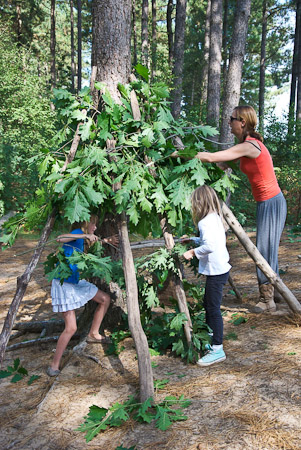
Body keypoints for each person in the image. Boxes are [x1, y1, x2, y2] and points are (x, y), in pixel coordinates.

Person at [175, 105, 286, 313]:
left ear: (242, 122)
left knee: (263, 248)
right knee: (267, 247)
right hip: (265, 202)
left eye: (232, 118)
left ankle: (267, 299)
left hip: (272, 202)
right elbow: (223, 162)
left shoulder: (250, 146)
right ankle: (276, 292)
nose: (229, 122)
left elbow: (212, 157)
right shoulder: (244, 146)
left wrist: (181, 154)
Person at [46, 215, 119, 377]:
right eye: (93, 224)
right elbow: (60, 239)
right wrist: (84, 234)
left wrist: (106, 241)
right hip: (63, 284)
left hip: (76, 282)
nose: (95, 227)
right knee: (71, 328)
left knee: (105, 299)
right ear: (86, 223)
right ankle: (54, 365)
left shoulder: (82, 238)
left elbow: (90, 245)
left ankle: (93, 333)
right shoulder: (77, 232)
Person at [182, 185, 231, 367]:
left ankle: (217, 348)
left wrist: (193, 252)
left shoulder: (205, 222)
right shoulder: (215, 218)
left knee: (213, 308)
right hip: (221, 268)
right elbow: (213, 240)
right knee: (208, 304)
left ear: (199, 202)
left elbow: (209, 246)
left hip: (216, 271)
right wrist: (193, 240)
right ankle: (211, 336)